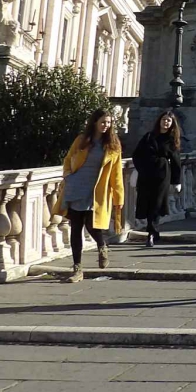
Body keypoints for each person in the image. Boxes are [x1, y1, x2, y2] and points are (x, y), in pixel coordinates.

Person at [56, 109, 125, 283]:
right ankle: (77, 269)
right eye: (103, 122)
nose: (105, 125)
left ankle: (102, 246)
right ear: (95, 122)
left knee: (92, 224)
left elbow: (116, 174)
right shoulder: (82, 140)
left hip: (96, 191)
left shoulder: (113, 145)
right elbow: (68, 158)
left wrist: (119, 198)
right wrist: (67, 174)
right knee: (75, 228)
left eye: (108, 122)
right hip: (76, 186)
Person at [131, 111, 183, 248]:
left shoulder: (171, 140)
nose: (165, 122)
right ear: (159, 121)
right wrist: (141, 168)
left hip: (162, 175)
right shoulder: (149, 136)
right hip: (146, 173)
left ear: (172, 124)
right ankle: (153, 231)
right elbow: (137, 154)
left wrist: (176, 181)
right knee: (146, 201)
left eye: (168, 121)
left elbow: (176, 162)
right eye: (164, 119)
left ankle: (151, 233)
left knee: (156, 203)